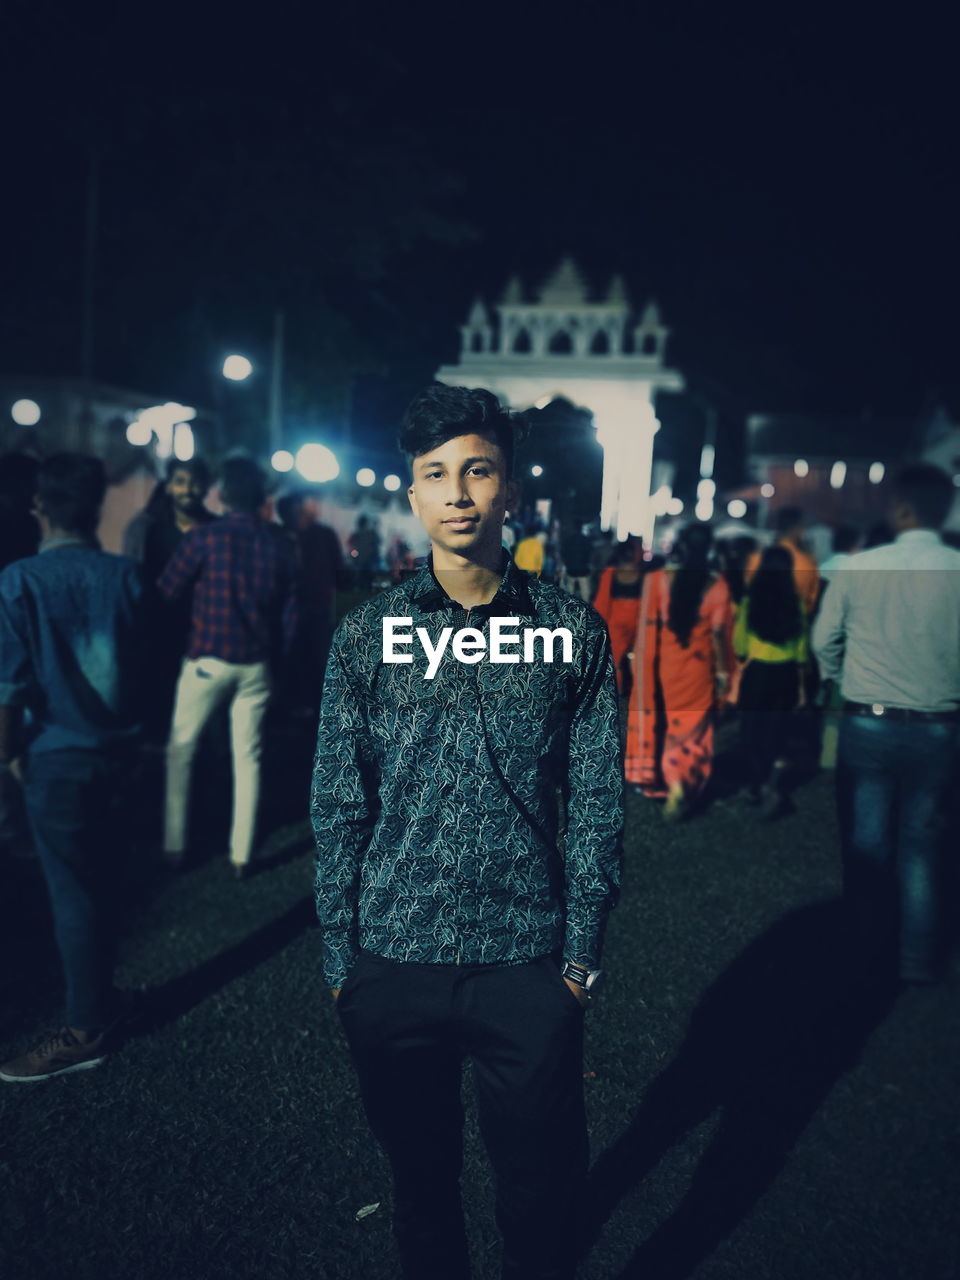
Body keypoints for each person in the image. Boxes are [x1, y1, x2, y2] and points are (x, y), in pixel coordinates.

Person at [312, 382, 623, 1280]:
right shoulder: (367, 635)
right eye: (435, 473)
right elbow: (338, 802)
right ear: (411, 494)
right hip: (392, 959)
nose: (456, 491)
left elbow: (598, 799)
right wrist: (343, 961)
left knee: (539, 1194)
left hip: (526, 962)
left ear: (508, 490)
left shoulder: (571, 630)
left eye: (476, 470)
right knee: (421, 1187)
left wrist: (579, 959)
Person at [0, 454, 148, 1081]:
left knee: (72, 896)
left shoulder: (18, 582)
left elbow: (8, 689)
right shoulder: (129, 578)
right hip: (121, 756)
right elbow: (151, 671)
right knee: (106, 884)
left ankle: (86, 1029)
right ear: (97, 508)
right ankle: (102, 1002)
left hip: (56, 757)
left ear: (39, 508)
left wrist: (7, 761)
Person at [812, 464, 960, 984]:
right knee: (922, 844)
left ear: (899, 509)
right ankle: (916, 958)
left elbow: (822, 639)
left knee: (868, 844)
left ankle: (865, 954)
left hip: (868, 719)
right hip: (940, 723)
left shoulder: (860, 567)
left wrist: (836, 678)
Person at [159, 457, 297, 878]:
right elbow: (289, 618)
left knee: (181, 751)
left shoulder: (205, 538)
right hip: (255, 664)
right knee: (248, 758)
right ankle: (242, 854)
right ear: (261, 498)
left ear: (221, 494)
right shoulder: (279, 545)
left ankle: (175, 845)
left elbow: (167, 589)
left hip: (206, 659)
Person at [625, 524, 734, 819]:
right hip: (698, 670)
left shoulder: (657, 580)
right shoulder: (718, 585)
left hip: (662, 667)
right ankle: (678, 784)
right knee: (690, 733)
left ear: (681, 547)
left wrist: (640, 665)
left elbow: (647, 629)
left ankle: (664, 779)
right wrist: (725, 674)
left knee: (663, 723)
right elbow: (719, 635)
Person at [123, 458, 216, 741]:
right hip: (160, 631)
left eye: (195, 482)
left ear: (207, 487)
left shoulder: (216, 529)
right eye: (180, 482)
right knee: (160, 709)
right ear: (168, 487)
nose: (188, 489)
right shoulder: (151, 529)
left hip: (207, 634)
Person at [735, 544, 808, 817]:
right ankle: (770, 783)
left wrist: (743, 653)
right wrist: (802, 684)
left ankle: (755, 783)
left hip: (757, 671)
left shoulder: (751, 598)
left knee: (752, 730)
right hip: (786, 672)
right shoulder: (795, 600)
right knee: (776, 730)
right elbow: (802, 645)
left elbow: (739, 641)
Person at [276, 488, 344, 714]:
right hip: (287, 611)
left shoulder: (322, 535)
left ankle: (314, 707)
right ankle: (293, 706)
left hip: (317, 609)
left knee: (317, 660)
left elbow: (339, 571)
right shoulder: (280, 536)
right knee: (294, 660)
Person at [746, 505, 820, 616]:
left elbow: (747, 593)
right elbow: (811, 602)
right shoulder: (807, 563)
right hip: (794, 627)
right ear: (799, 530)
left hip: (756, 624)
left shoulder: (755, 559)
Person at [592, 542, 644, 695]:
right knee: (637, 656)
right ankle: (636, 690)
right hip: (637, 617)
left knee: (615, 658)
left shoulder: (611, 573)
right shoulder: (642, 574)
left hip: (616, 617)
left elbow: (603, 600)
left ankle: (617, 690)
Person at [560, 522, 594, 600]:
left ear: (573, 528)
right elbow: (590, 553)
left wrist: (567, 562)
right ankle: (586, 609)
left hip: (571, 569)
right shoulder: (586, 540)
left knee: (570, 591)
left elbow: (563, 553)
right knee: (585, 592)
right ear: (581, 528)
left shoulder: (568, 540)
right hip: (583, 569)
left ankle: (570, 608)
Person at [347, 514, 381, 590]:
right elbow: (351, 546)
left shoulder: (369, 534)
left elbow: (377, 543)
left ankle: (361, 587)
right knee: (362, 576)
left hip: (365, 559)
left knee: (364, 576)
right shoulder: (360, 534)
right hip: (364, 559)